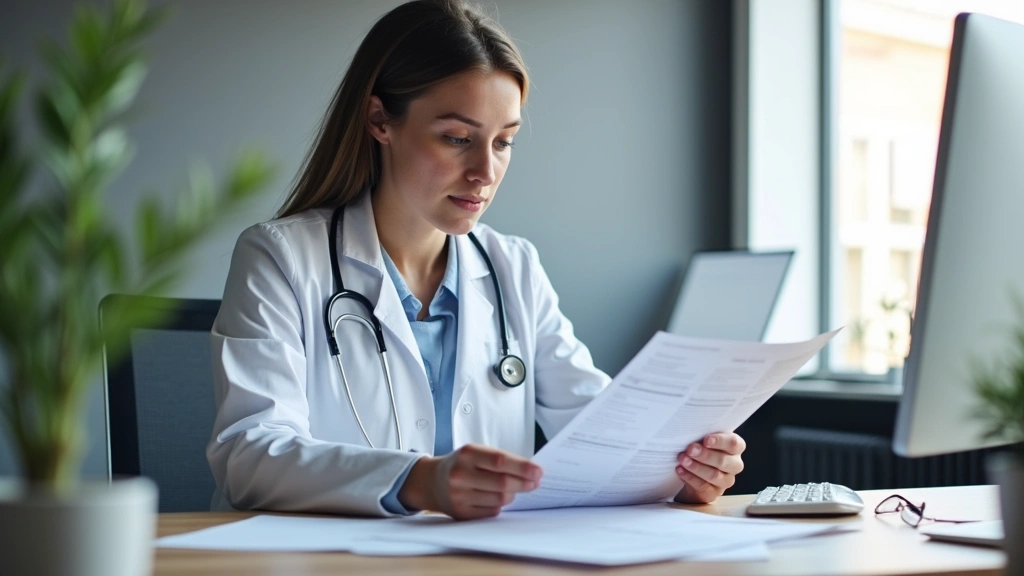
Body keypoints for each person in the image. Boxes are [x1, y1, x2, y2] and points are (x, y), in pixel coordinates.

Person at [207, 0, 746, 520]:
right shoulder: (279, 258)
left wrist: (683, 470)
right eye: (457, 138)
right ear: (379, 119)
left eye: (504, 142)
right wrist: (421, 481)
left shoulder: (514, 266)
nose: (485, 172)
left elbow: (603, 433)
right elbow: (249, 454)